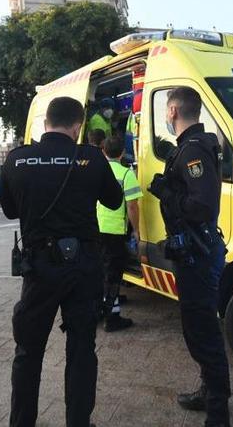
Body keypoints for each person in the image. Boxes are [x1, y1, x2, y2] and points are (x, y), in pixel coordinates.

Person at [0, 96, 122, 427]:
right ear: (78, 126)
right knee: (82, 349)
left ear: (45, 123)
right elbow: (114, 201)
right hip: (83, 267)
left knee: (28, 351)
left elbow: (10, 210)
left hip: (38, 268)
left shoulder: (17, 160)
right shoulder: (91, 158)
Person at [147, 87, 231, 427]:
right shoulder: (193, 147)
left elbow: (202, 206)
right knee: (198, 328)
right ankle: (208, 390)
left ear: (172, 111)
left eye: (167, 111)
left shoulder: (193, 151)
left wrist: (166, 193)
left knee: (203, 332)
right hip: (195, 252)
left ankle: (218, 412)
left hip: (197, 254)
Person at [96, 136, 141, 332]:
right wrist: (137, 230)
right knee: (113, 276)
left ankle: (98, 311)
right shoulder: (126, 175)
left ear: (103, 151)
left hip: (96, 229)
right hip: (115, 232)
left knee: (100, 272)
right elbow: (132, 206)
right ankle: (112, 318)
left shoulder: (96, 173)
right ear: (122, 152)